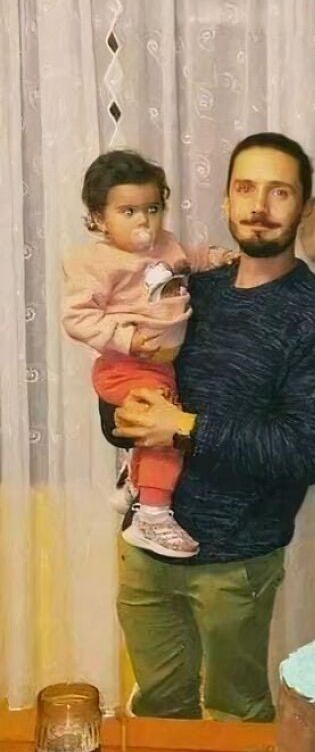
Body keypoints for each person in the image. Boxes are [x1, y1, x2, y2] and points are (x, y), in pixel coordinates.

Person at [107, 133, 315, 721]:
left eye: (279, 192)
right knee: (157, 710)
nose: (259, 206)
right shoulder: (190, 291)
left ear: (305, 207)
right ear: (225, 200)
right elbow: (133, 375)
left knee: (234, 718)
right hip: (146, 547)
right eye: (246, 188)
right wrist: (121, 417)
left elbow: (302, 453)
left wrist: (182, 427)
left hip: (235, 564)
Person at [63, 150, 232, 558]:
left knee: (162, 420)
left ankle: (133, 479)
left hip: (160, 365)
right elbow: (77, 317)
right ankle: (152, 515)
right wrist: (126, 339)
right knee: (164, 429)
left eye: (152, 209)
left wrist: (216, 259)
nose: (144, 221)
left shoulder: (165, 245)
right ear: (100, 218)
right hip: (125, 365)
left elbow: (188, 258)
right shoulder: (94, 262)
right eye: (129, 211)